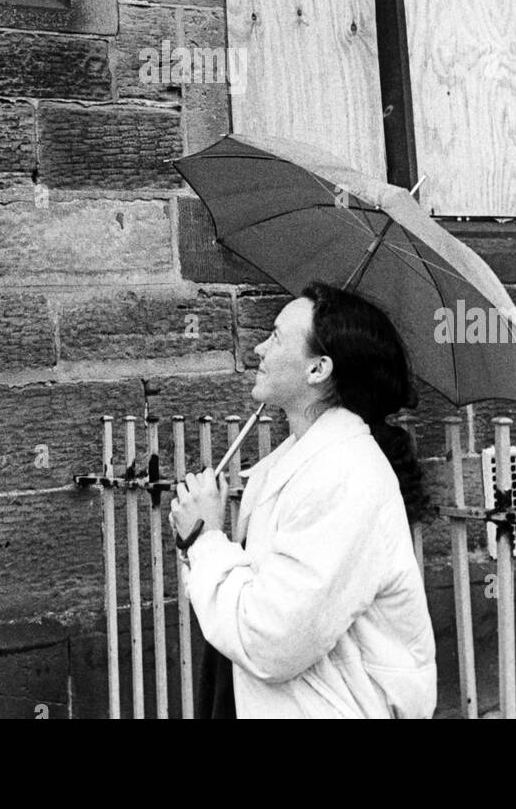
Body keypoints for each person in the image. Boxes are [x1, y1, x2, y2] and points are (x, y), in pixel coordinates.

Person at [169, 280, 437, 719]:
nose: (258, 349)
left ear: (318, 370)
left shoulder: (345, 475)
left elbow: (271, 640)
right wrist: (200, 536)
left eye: (275, 336)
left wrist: (203, 538)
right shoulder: (294, 463)